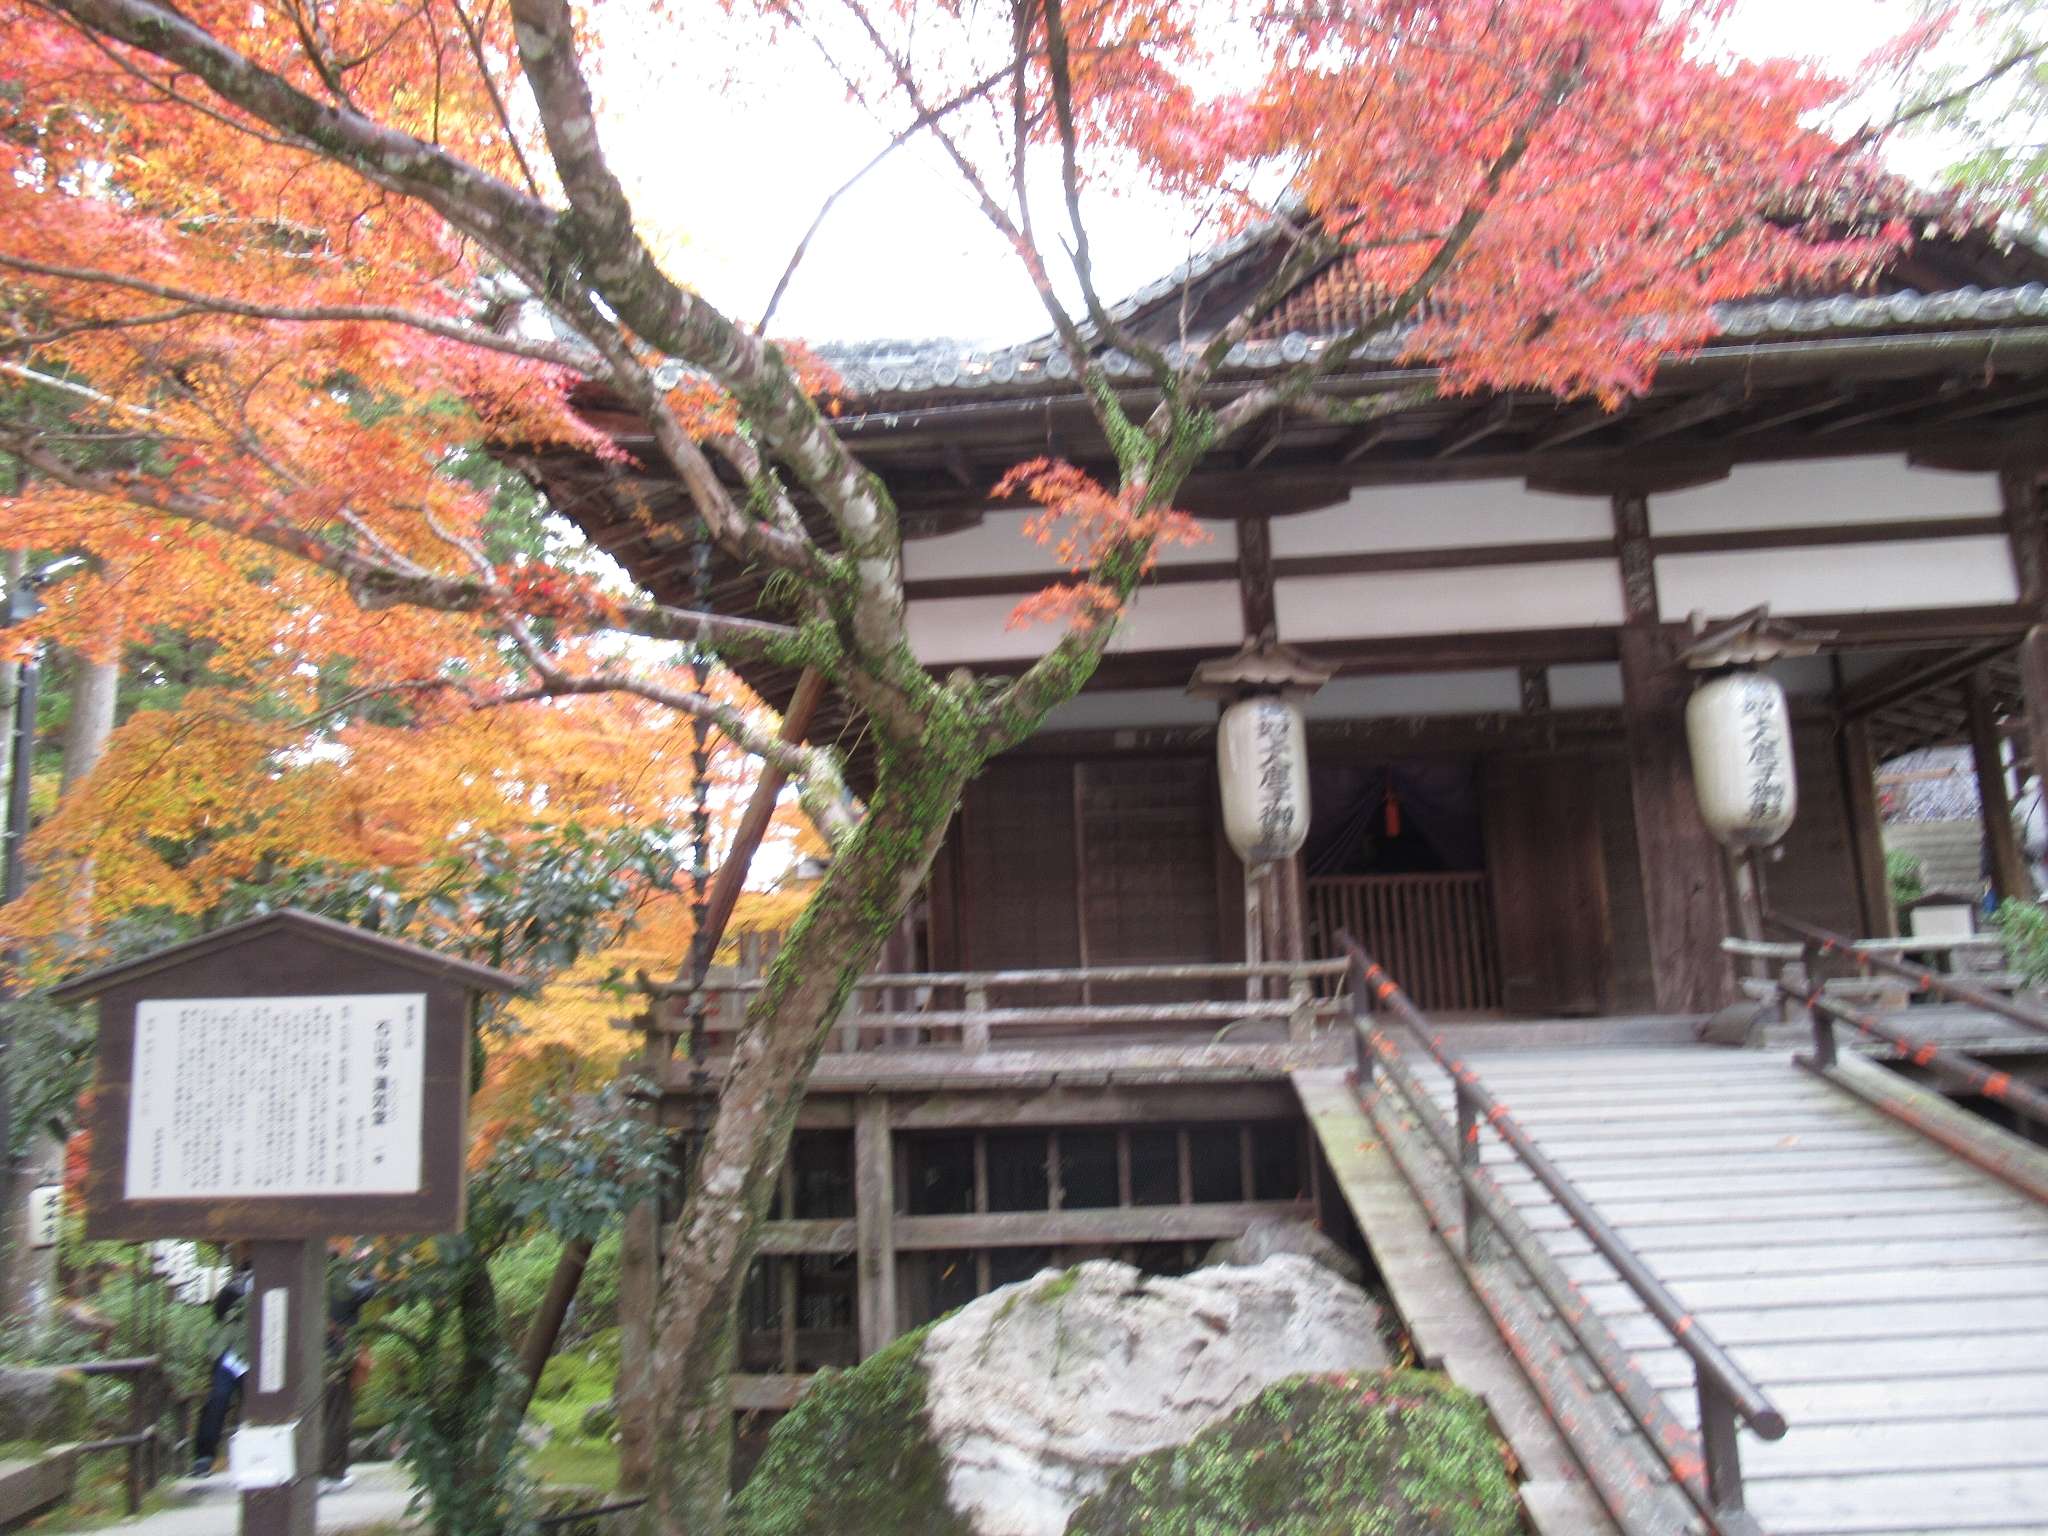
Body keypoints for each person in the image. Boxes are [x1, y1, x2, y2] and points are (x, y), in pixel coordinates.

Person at [190, 1261, 252, 1477]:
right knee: (218, 1401)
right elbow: (219, 1312)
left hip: (244, 1352)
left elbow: (218, 1313)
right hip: (232, 1353)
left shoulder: (236, 1286)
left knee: (225, 1401)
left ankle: (250, 1455)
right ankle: (204, 1457)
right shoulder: (237, 1286)